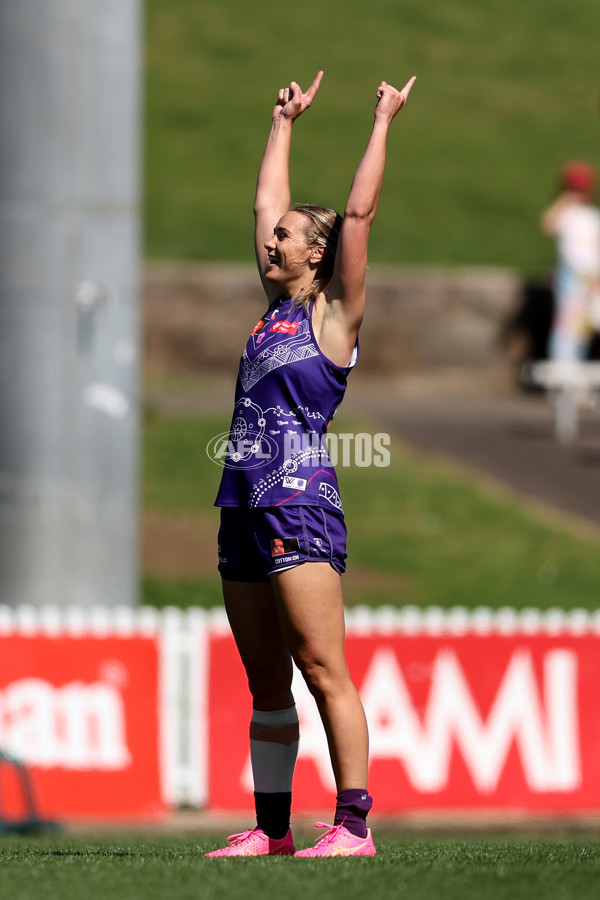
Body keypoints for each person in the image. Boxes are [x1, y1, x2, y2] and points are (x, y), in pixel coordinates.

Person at [204, 70, 416, 858]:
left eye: (289, 236)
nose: (272, 240)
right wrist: (281, 123)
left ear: (319, 252)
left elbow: (359, 213)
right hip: (242, 503)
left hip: (299, 503)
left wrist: (382, 121)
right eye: (275, 235)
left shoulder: (333, 318)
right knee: (266, 683)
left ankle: (355, 825)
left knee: (323, 667)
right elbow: (263, 205)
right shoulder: (272, 312)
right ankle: (272, 828)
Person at [540, 160, 600, 361]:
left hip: (590, 277)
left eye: (580, 190)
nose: (577, 195)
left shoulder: (592, 216)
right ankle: (562, 366)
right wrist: (563, 202)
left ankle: (576, 370)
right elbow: (547, 225)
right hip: (571, 275)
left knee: (584, 326)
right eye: (572, 190)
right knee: (567, 326)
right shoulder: (565, 215)